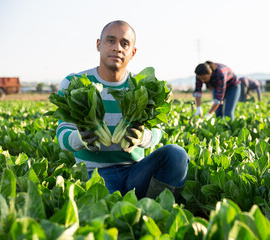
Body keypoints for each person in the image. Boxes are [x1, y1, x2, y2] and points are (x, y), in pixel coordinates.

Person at [56, 20, 189, 199]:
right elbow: (61, 133)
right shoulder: (74, 82)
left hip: (136, 172)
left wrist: (143, 137)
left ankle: (157, 209)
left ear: (133, 52)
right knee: (110, 214)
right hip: (94, 174)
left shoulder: (141, 84)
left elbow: (158, 130)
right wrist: (79, 138)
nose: (117, 48)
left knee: (176, 154)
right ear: (98, 45)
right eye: (110, 41)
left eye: (124, 43)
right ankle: (138, 207)